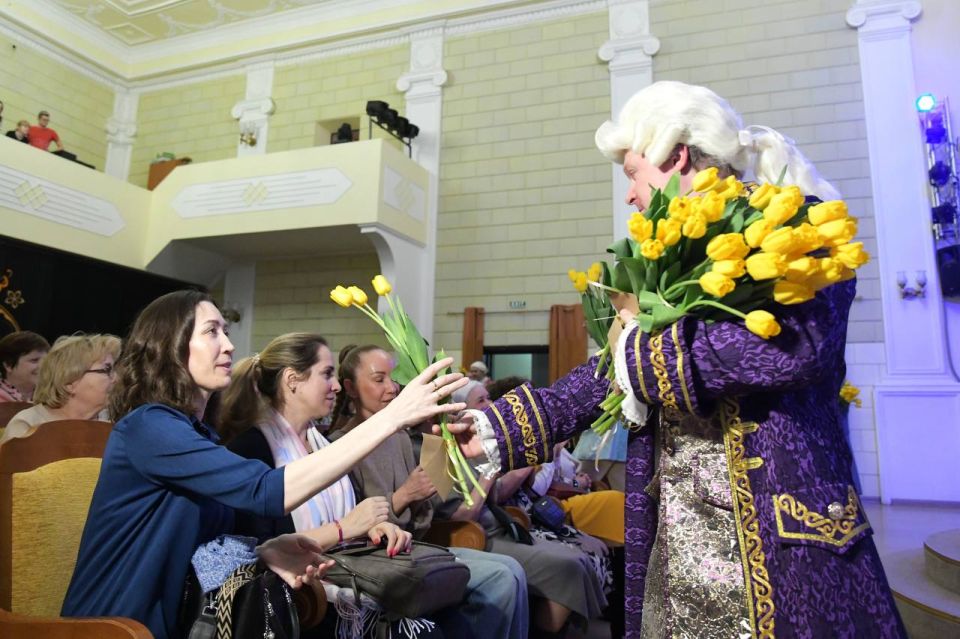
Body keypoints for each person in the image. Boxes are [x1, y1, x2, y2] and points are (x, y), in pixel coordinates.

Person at [446, 81, 907, 638]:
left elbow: (787, 350)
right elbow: (607, 378)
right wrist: (494, 426)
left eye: (633, 175)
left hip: (777, 541)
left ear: (676, 157)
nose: (630, 196)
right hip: (679, 548)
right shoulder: (663, 262)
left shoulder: (798, 226)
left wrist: (635, 349)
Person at [60, 290, 467, 639]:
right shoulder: (150, 426)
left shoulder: (196, 433)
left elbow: (205, 542)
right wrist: (393, 416)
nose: (229, 346)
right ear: (169, 345)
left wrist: (265, 549)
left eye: (226, 331)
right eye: (211, 332)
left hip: (180, 618)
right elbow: (266, 491)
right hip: (118, 624)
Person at [338, 345, 602, 638]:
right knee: (514, 572)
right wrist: (407, 495)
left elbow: (427, 511)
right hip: (436, 539)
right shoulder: (382, 442)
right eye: (379, 379)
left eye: (393, 379)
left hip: (466, 530)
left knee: (568, 557)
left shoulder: (409, 438)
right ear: (349, 387)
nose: (392, 388)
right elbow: (444, 512)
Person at [219, 332, 465, 638]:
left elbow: (352, 516)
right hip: (300, 596)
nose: (336, 386)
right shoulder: (252, 448)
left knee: (453, 610)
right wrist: (345, 528)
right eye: (326, 374)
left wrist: (374, 528)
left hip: (344, 568)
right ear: (292, 380)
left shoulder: (317, 442)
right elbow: (258, 549)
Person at [2, 333, 119, 443]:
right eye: (106, 370)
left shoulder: (116, 428)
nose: (116, 379)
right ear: (70, 382)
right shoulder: (27, 425)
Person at [0, 330, 50, 402]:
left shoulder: (53, 396)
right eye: (34, 360)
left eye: (46, 360)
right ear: (9, 365)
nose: (44, 366)